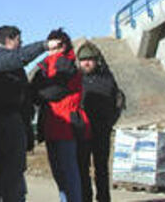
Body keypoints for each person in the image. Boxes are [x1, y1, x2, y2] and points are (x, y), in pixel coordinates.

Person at [0, 25, 57, 202]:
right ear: (9, 40)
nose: (21, 46)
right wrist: (44, 46)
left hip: (1, 122)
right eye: (19, 42)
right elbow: (20, 58)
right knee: (9, 172)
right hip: (4, 121)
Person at [32, 29, 91, 202]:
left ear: (63, 45)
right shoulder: (46, 65)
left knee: (69, 173)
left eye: (55, 45)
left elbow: (54, 92)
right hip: (53, 125)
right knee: (62, 175)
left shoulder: (67, 65)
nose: (52, 50)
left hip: (67, 126)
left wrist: (39, 92)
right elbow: (36, 90)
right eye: (49, 46)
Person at [76, 41, 125, 202]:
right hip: (82, 132)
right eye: (83, 60)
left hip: (102, 131)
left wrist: (110, 121)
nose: (87, 63)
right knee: (82, 169)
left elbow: (118, 101)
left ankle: (104, 199)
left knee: (102, 169)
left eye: (90, 59)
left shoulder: (107, 79)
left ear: (97, 60)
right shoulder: (75, 81)